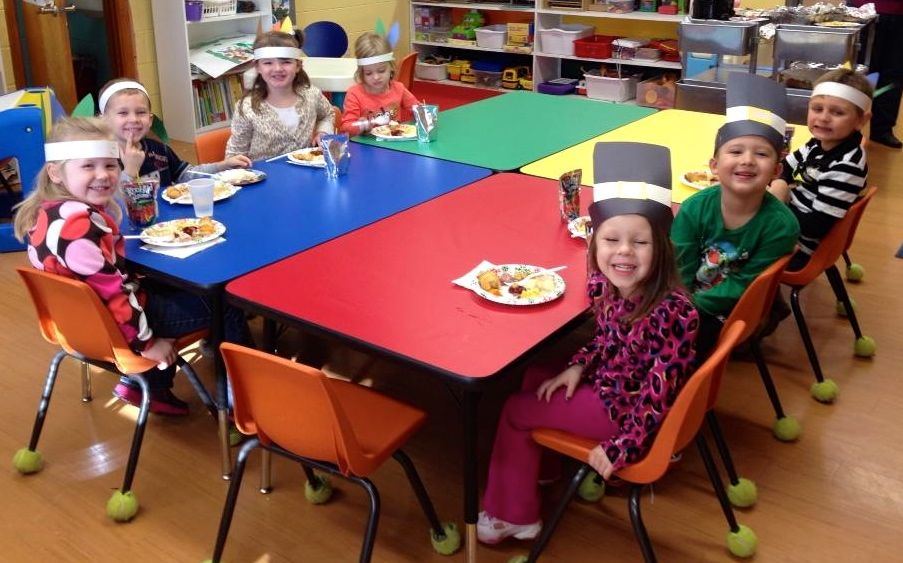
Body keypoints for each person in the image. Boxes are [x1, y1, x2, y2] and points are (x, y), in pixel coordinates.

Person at [477, 142, 699, 545]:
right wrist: (579, 363)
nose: (625, 252)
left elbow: (658, 394)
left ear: (662, 248)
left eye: (640, 243)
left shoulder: (674, 312)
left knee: (513, 409)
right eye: (612, 241)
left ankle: (514, 515)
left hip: (621, 410)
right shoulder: (615, 286)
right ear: (595, 244)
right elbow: (607, 338)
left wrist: (621, 447)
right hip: (611, 386)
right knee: (536, 376)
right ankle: (542, 469)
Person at [13, 117, 251, 416]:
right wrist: (148, 344)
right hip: (111, 326)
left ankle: (148, 385)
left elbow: (103, 283)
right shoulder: (80, 225)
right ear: (55, 173)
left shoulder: (45, 212)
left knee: (166, 285)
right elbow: (115, 296)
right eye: (88, 166)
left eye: (110, 165)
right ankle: (241, 404)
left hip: (79, 322)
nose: (103, 175)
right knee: (224, 303)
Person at [671, 73, 800, 356]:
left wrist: (689, 311)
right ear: (714, 166)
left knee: (680, 345)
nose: (747, 160)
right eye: (736, 150)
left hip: (735, 311)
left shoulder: (780, 226)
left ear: (777, 171)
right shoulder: (694, 208)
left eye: (762, 154)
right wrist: (678, 305)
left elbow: (747, 285)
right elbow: (680, 265)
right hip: (686, 300)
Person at [769, 69, 871, 271]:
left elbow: (816, 226)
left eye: (838, 112)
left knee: (727, 230)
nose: (823, 118)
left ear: (861, 120)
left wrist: (778, 203)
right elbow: (786, 166)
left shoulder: (846, 166)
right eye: (817, 109)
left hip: (798, 247)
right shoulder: (818, 143)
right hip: (791, 220)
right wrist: (781, 184)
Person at [98, 78, 251, 187]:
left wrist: (222, 165)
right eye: (123, 113)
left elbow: (185, 176)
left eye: (141, 112)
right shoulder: (99, 160)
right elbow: (110, 205)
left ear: (150, 120)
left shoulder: (159, 150)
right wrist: (130, 171)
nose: (134, 119)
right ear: (103, 120)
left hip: (166, 226)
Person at [226, 30, 335, 161]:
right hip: (266, 178)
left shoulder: (311, 95)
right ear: (258, 67)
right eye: (268, 63)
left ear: (298, 66)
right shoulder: (247, 108)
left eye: (286, 62)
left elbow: (327, 114)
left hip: (307, 174)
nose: (277, 68)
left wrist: (322, 132)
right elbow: (234, 156)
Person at [340, 32, 418, 136]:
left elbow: (417, 108)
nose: (376, 77)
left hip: (393, 145)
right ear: (361, 72)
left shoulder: (398, 88)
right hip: (366, 146)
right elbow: (346, 127)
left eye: (381, 71)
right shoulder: (354, 94)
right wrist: (361, 125)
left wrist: (422, 112)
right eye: (369, 73)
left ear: (391, 67)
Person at [862, 0, 903, 148]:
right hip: (865, 10)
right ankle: (846, 126)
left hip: (899, 14)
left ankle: (882, 130)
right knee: (862, 72)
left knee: (895, 73)